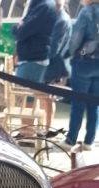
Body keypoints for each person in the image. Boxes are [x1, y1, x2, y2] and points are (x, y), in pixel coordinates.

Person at [60, 0, 99, 151]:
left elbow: (76, 38)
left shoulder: (87, 11)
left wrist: (69, 53)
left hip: (84, 62)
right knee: (94, 104)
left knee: (78, 103)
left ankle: (71, 140)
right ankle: (89, 141)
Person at [42, 0, 72, 129]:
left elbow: (54, 47)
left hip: (54, 65)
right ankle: (46, 127)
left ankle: (47, 127)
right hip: (55, 64)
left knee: (48, 98)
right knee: (47, 98)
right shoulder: (59, 17)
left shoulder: (61, 20)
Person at [12, 0, 58, 84]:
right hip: (32, 59)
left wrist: (16, 28)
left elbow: (22, 32)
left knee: (23, 91)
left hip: (32, 61)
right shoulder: (41, 5)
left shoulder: (44, 6)